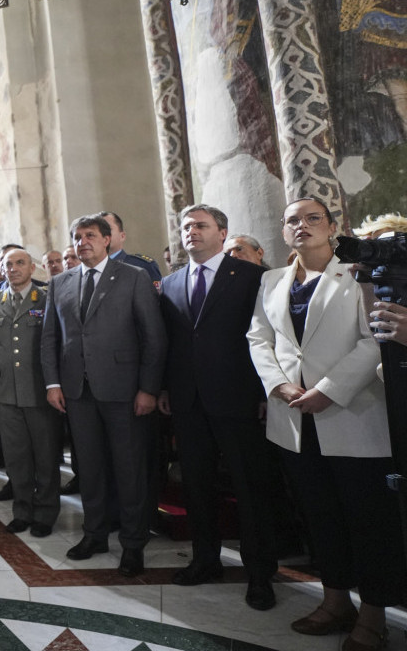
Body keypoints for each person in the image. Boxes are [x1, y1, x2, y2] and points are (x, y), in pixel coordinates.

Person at [247, 197, 405, 651]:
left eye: (313, 218)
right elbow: (259, 337)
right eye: (292, 220)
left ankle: (374, 615)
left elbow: (376, 337)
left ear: (333, 227)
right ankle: (336, 600)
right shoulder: (272, 280)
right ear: (283, 232)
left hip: (352, 413)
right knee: (319, 516)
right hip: (293, 417)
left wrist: (329, 389)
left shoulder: (356, 274)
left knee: (367, 520)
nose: (302, 225)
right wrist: (277, 385)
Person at [157, 205, 277, 611]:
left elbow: (266, 338)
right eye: (186, 226)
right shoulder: (172, 283)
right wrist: (166, 388)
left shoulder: (252, 277)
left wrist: (266, 393)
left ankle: (260, 573)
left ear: (222, 233)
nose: (191, 232)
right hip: (189, 402)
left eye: (201, 226)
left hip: (240, 398)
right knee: (197, 485)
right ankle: (205, 560)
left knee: (250, 487)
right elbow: (172, 344)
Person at [41, 214, 166, 576]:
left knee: (129, 470)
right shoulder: (60, 283)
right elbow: (51, 338)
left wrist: (148, 388)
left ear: (108, 240)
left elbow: (153, 337)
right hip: (77, 392)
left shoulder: (133, 277)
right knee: (91, 469)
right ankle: (94, 533)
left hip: (124, 391)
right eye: (77, 237)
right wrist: (53, 384)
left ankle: (132, 543)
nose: (83, 242)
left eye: (90, 236)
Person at [0, 249, 61, 537]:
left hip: (40, 391)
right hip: (6, 393)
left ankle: (45, 513)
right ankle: (22, 510)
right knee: (16, 457)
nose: (13, 269)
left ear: (32, 267)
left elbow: (55, 344)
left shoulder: (48, 297)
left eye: (19, 263)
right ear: (1, 270)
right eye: (8, 265)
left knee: (45, 456)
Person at [99, 211, 163, 285]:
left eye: (107, 229)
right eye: (96, 231)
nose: (101, 234)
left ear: (122, 236)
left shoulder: (141, 266)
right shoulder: (88, 268)